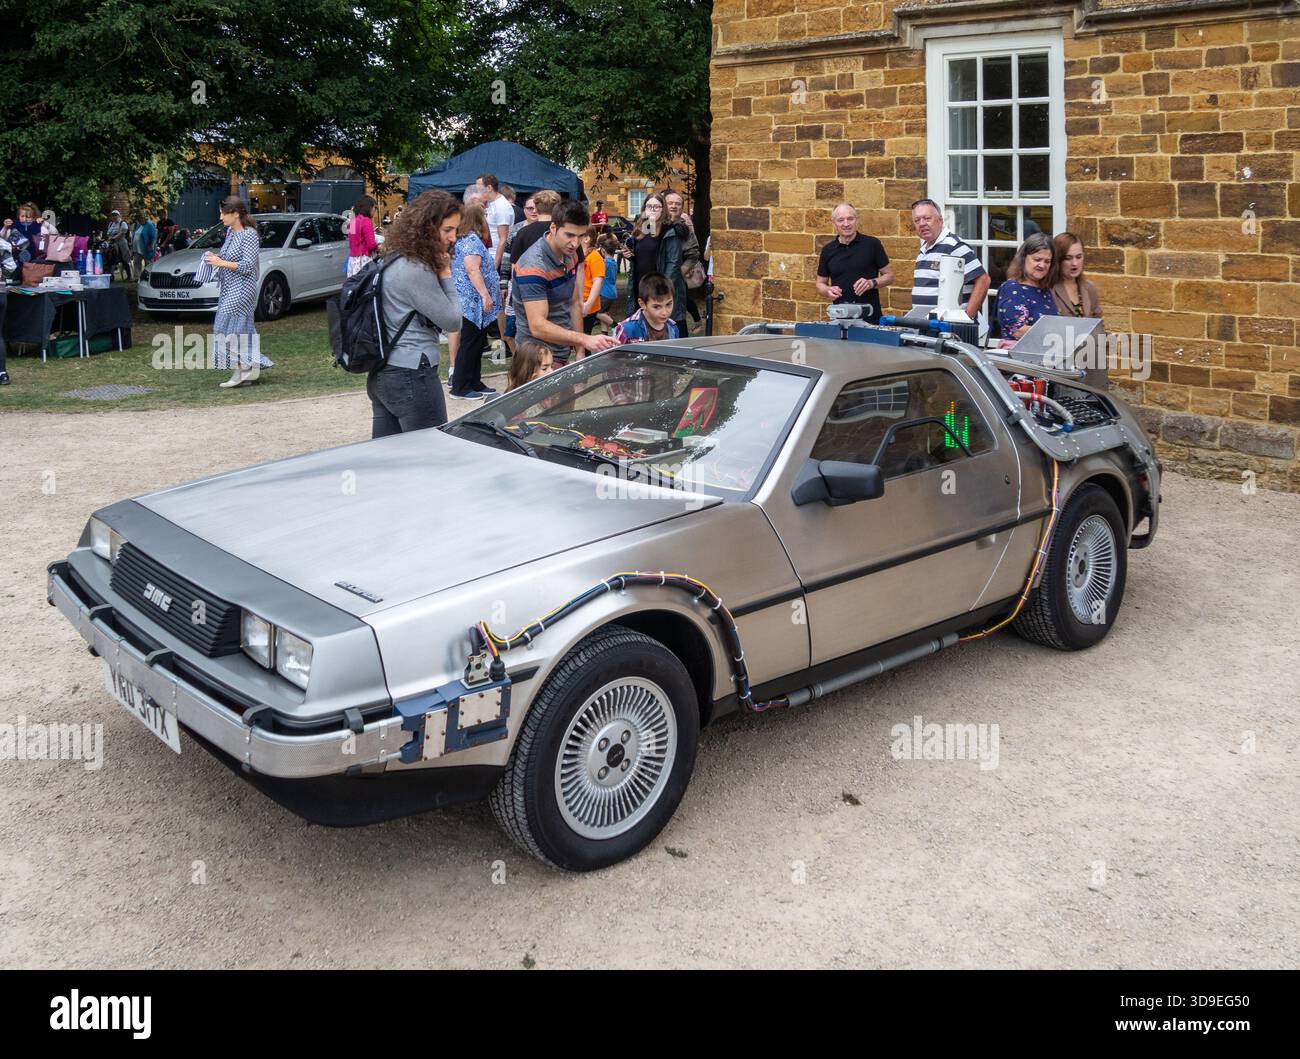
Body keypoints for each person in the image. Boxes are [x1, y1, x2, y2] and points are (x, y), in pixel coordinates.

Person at [367, 189, 464, 436]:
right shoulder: (415, 269)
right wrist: (445, 275)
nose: (453, 237)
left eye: (455, 230)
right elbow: (453, 320)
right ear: (426, 228)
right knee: (429, 457)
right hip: (411, 373)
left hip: (383, 372)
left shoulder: (393, 257)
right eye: (447, 230)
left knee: (389, 459)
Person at [512, 198, 618, 364]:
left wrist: (580, 352)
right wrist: (583, 340)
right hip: (535, 358)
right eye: (569, 235)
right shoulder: (533, 266)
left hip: (561, 352)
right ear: (553, 228)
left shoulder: (571, 254)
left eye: (581, 236)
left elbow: (575, 303)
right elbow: (538, 326)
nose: (575, 243)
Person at [200, 197, 270, 389]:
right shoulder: (231, 232)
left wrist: (220, 263)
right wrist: (215, 257)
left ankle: (242, 368)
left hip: (242, 288)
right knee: (241, 330)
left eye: (224, 213)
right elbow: (229, 255)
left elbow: (248, 266)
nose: (220, 216)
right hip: (229, 287)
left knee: (224, 328)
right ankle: (245, 369)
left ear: (236, 214)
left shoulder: (249, 235)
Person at [910, 198, 990, 328]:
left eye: (927, 218)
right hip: (929, 326)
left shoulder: (954, 246)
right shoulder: (924, 248)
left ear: (940, 220)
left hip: (950, 329)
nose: (922, 223)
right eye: (917, 220)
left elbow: (983, 280)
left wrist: (966, 318)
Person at [450, 202, 502, 399]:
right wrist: (485, 295)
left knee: (478, 342)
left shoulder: (463, 240)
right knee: (470, 343)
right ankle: (460, 386)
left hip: (473, 303)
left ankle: (474, 381)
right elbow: (473, 269)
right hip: (472, 303)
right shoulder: (471, 241)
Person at [816, 203, 893, 321]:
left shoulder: (872, 244)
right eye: (841, 220)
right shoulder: (827, 250)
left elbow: (889, 276)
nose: (846, 224)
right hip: (840, 318)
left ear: (857, 221)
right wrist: (827, 290)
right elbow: (820, 284)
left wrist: (871, 283)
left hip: (870, 317)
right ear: (834, 223)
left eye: (850, 219)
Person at [623, 193, 686, 338]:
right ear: (644, 208)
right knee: (642, 329)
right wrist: (630, 255)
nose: (653, 210)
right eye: (649, 206)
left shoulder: (669, 230)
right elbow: (640, 253)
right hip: (641, 285)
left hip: (660, 287)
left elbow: (673, 262)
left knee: (663, 330)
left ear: (663, 209)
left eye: (657, 207)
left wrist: (662, 288)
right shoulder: (643, 228)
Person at [996, 232, 1058, 341]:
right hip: (1017, 356)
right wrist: (1057, 333)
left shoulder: (1045, 290)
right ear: (1023, 258)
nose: (1042, 265)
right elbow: (1018, 330)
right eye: (1037, 259)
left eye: (1047, 261)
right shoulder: (1012, 288)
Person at [1049, 232, 1103, 326]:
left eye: (1079, 257)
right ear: (1057, 259)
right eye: (1068, 258)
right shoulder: (1048, 288)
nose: (1075, 263)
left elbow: (1098, 324)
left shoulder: (1089, 287)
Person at [613, 272, 679, 344]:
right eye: (657, 307)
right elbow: (614, 354)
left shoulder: (673, 328)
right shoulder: (626, 329)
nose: (664, 312)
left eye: (668, 304)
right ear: (642, 304)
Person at [579, 226, 606, 334]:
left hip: (587, 306)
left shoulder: (595, 257)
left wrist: (588, 305)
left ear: (586, 239)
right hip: (576, 303)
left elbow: (597, 282)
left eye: (578, 235)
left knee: (583, 338)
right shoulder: (578, 255)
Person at [346, 195, 379, 277]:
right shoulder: (366, 221)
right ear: (369, 207)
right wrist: (380, 247)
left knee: (355, 286)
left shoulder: (353, 221)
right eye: (375, 208)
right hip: (364, 261)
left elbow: (352, 241)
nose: (375, 211)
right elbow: (371, 245)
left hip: (353, 261)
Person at [596, 232, 620, 329]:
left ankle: (617, 326)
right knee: (604, 313)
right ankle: (604, 333)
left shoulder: (604, 263)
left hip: (605, 293)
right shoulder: (613, 263)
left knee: (596, 313)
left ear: (603, 250)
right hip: (612, 292)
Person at [106, 209, 131, 279]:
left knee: (125, 259)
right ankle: (111, 276)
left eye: (115, 215)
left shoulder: (122, 223)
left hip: (122, 244)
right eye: (113, 215)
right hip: (113, 245)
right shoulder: (111, 224)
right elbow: (108, 234)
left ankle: (129, 276)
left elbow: (123, 232)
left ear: (119, 216)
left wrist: (114, 237)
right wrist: (110, 239)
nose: (114, 217)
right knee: (112, 259)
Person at [132, 213, 156, 278]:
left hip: (146, 248)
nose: (139, 221)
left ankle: (149, 277)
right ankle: (137, 277)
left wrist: (151, 245)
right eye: (138, 220)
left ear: (144, 218)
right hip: (137, 248)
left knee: (148, 263)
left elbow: (153, 237)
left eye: (140, 220)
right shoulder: (139, 225)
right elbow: (135, 234)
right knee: (136, 262)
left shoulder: (150, 225)